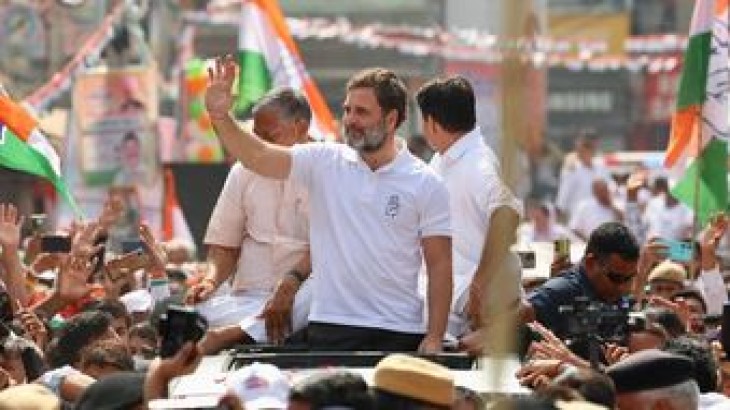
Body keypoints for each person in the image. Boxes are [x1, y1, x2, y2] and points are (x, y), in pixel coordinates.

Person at [205, 55, 452, 352]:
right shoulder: (325, 161)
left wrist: (434, 336)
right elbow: (258, 156)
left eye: (362, 112)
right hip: (333, 327)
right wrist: (221, 117)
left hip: (399, 330)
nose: (350, 120)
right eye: (347, 110)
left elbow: (440, 265)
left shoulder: (426, 182)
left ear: (391, 120)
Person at [187, 88, 313, 349]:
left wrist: (289, 285)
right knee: (192, 315)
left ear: (301, 128)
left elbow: (330, 248)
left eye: (270, 136)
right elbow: (224, 246)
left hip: (299, 295)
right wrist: (210, 281)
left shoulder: (330, 169)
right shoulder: (242, 171)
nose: (260, 145)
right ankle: (253, 329)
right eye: (256, 136)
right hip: (247, 301)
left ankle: (233, 335)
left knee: (324, 297)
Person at [415, 76, 522, 341]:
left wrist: (479, 283)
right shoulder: (442, 159)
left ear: (432, 122)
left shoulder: (477, 163)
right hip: (449, 296)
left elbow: (507, 213)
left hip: (479, 302)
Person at [521, 222, 640, 339]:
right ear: (590, 263)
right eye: (616, 278)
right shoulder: (563, 291)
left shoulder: (617, 297)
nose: (623, 287)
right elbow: (520, 314)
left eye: (629, 278)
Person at [555, 131, 609, 222]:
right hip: (578, 218)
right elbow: (564, 193)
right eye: (581, 148)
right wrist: (558, 211)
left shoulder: (601, 166)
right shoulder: (572, 168)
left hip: (600, 216)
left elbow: (609, 188)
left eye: (589, 147)